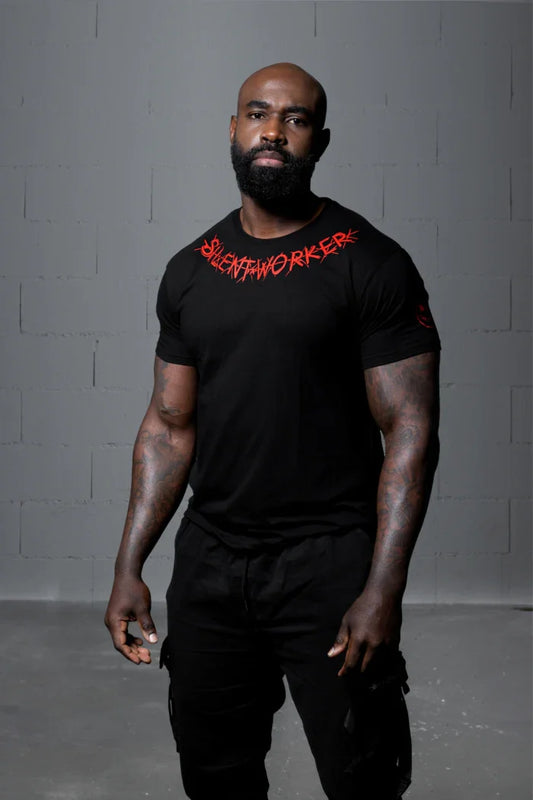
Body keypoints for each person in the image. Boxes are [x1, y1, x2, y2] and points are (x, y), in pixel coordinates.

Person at [105, 62, 440, 800]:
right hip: (213, 562)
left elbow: (409, 431)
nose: (273, 131)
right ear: (232, 128)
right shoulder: (190, 271)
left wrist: (382, 588)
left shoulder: (371, 263)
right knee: (215, 775)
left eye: (294, 119)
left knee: (363, 775)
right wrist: (131, 564)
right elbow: (167, 425)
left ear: (318, 140)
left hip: (328, 561)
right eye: (257, 113)